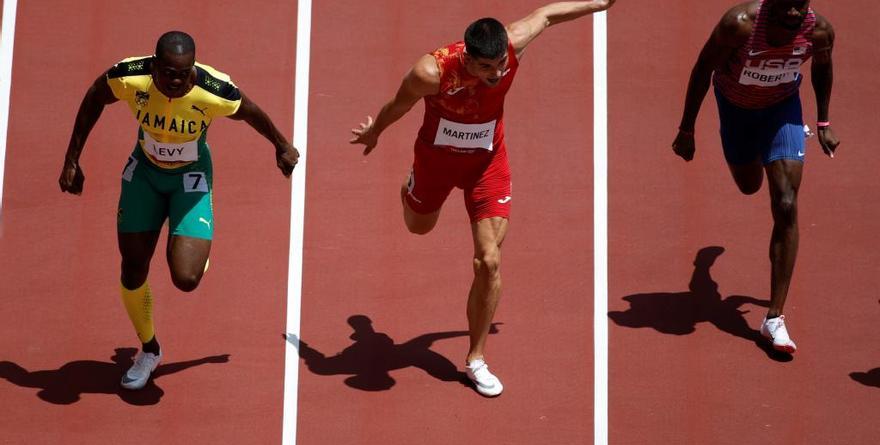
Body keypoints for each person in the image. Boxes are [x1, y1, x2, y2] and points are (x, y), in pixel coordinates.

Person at [350, 1, 617, 396]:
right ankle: (411, 188)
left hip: (487, 164)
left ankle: (476, 359)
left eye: (501, 66)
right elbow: (400, 103)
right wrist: (377, 131)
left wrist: (597, 3)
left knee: (488, 260)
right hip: (436, 162)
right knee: (418, 228)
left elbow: (547, 16)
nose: (497, 74)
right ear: (467, 57)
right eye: (486, 68)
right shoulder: (432, 71)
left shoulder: (509, 47)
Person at [58, 31, 299, 389]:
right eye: (168, 73)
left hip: (191, 178)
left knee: (185, 278)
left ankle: (191, 246)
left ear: (193, 71)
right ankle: (149, 350)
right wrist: (72, 159)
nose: (175, 81)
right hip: (144, 175)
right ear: (154, 67)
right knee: (133, 267)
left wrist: (281, 145)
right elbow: (95, 96)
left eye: (184, 75)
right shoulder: (130, 76)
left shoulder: (213, 90)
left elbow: (249, 112)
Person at [672, 0, 838, 354]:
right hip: (736, 109)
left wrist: (823, 122)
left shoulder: (819, 30)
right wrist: (687, 129)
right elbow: (703, 69)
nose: (794, 12)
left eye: (801, 3)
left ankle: (774, 319)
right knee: (749, 185)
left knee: (786, 203)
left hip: (783, 108)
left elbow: (823, 67)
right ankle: (769, 152)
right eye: (786, 4)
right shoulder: (740, 24)